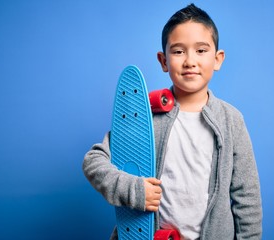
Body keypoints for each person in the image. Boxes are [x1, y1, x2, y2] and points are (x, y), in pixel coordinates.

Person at [83, 3, 262, 240]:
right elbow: (93, 161)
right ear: (163, 60)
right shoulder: (144, 115)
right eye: (178, 51)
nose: (190, 61)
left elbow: (247, 196)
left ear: (217, 59)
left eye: (201, 50)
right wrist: (134, 191)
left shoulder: (231, 121)